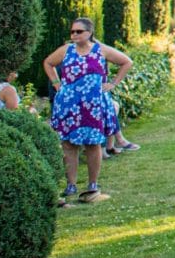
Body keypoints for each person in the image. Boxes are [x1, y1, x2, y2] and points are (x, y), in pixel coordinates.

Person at [45, 17, 131, 205]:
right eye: (72, 32)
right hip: (69, 104)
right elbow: (48, 63)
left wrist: (113, 83)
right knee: (68, 144)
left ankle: (93, 184)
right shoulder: (66, 50)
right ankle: (71, 185)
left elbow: (126, 62)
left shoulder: (101, 50)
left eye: (78, 31)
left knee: (93, 144)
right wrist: (57, 83)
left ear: (89, 33)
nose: (74, 35)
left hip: (93, 105)